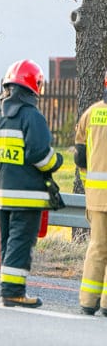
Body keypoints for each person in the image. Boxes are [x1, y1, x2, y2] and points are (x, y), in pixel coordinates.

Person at [0, 59, 63, 308]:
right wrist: (56, 162)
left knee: (8, 243)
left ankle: (8, 289)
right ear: (34, 86)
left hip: (2, 193)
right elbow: (39, 155)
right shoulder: (32, 116)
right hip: (28, 195)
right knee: (20, 243)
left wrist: (1, 171)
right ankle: (13, 293)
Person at [73, 73, 107, 316]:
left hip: (96, 196)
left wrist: (88, 185)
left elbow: (79, 156)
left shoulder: (92, 113)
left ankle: (88, 301)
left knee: (97, 246)